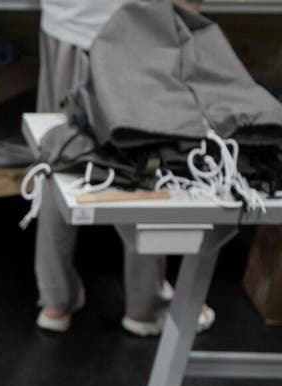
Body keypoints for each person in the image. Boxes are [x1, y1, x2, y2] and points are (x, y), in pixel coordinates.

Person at [35, 0, 215, 335]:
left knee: (60, 155)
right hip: (132, 32)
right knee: (142, 158)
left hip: (65, 26)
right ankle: (144, 305)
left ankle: (55, 300)